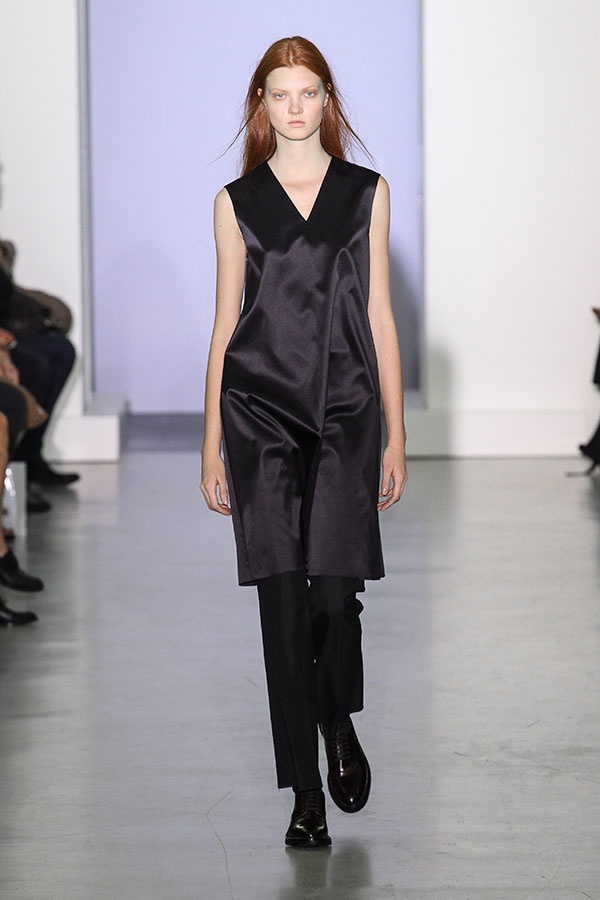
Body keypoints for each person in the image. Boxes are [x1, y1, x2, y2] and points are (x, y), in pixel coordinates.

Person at [200, 36, 407, 849]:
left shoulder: (366, 192)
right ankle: (306, 793)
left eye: (308, 92)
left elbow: (381, 317)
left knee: (335, 597)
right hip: (259, 414)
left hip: (349, 408)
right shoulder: (235, 202)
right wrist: (211, 442)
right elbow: (224, 325)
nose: (294, 107)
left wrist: (395, 434)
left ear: (327, 100)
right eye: (279, 93)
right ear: (261, 101)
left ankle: (336, 718)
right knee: (283, 605)